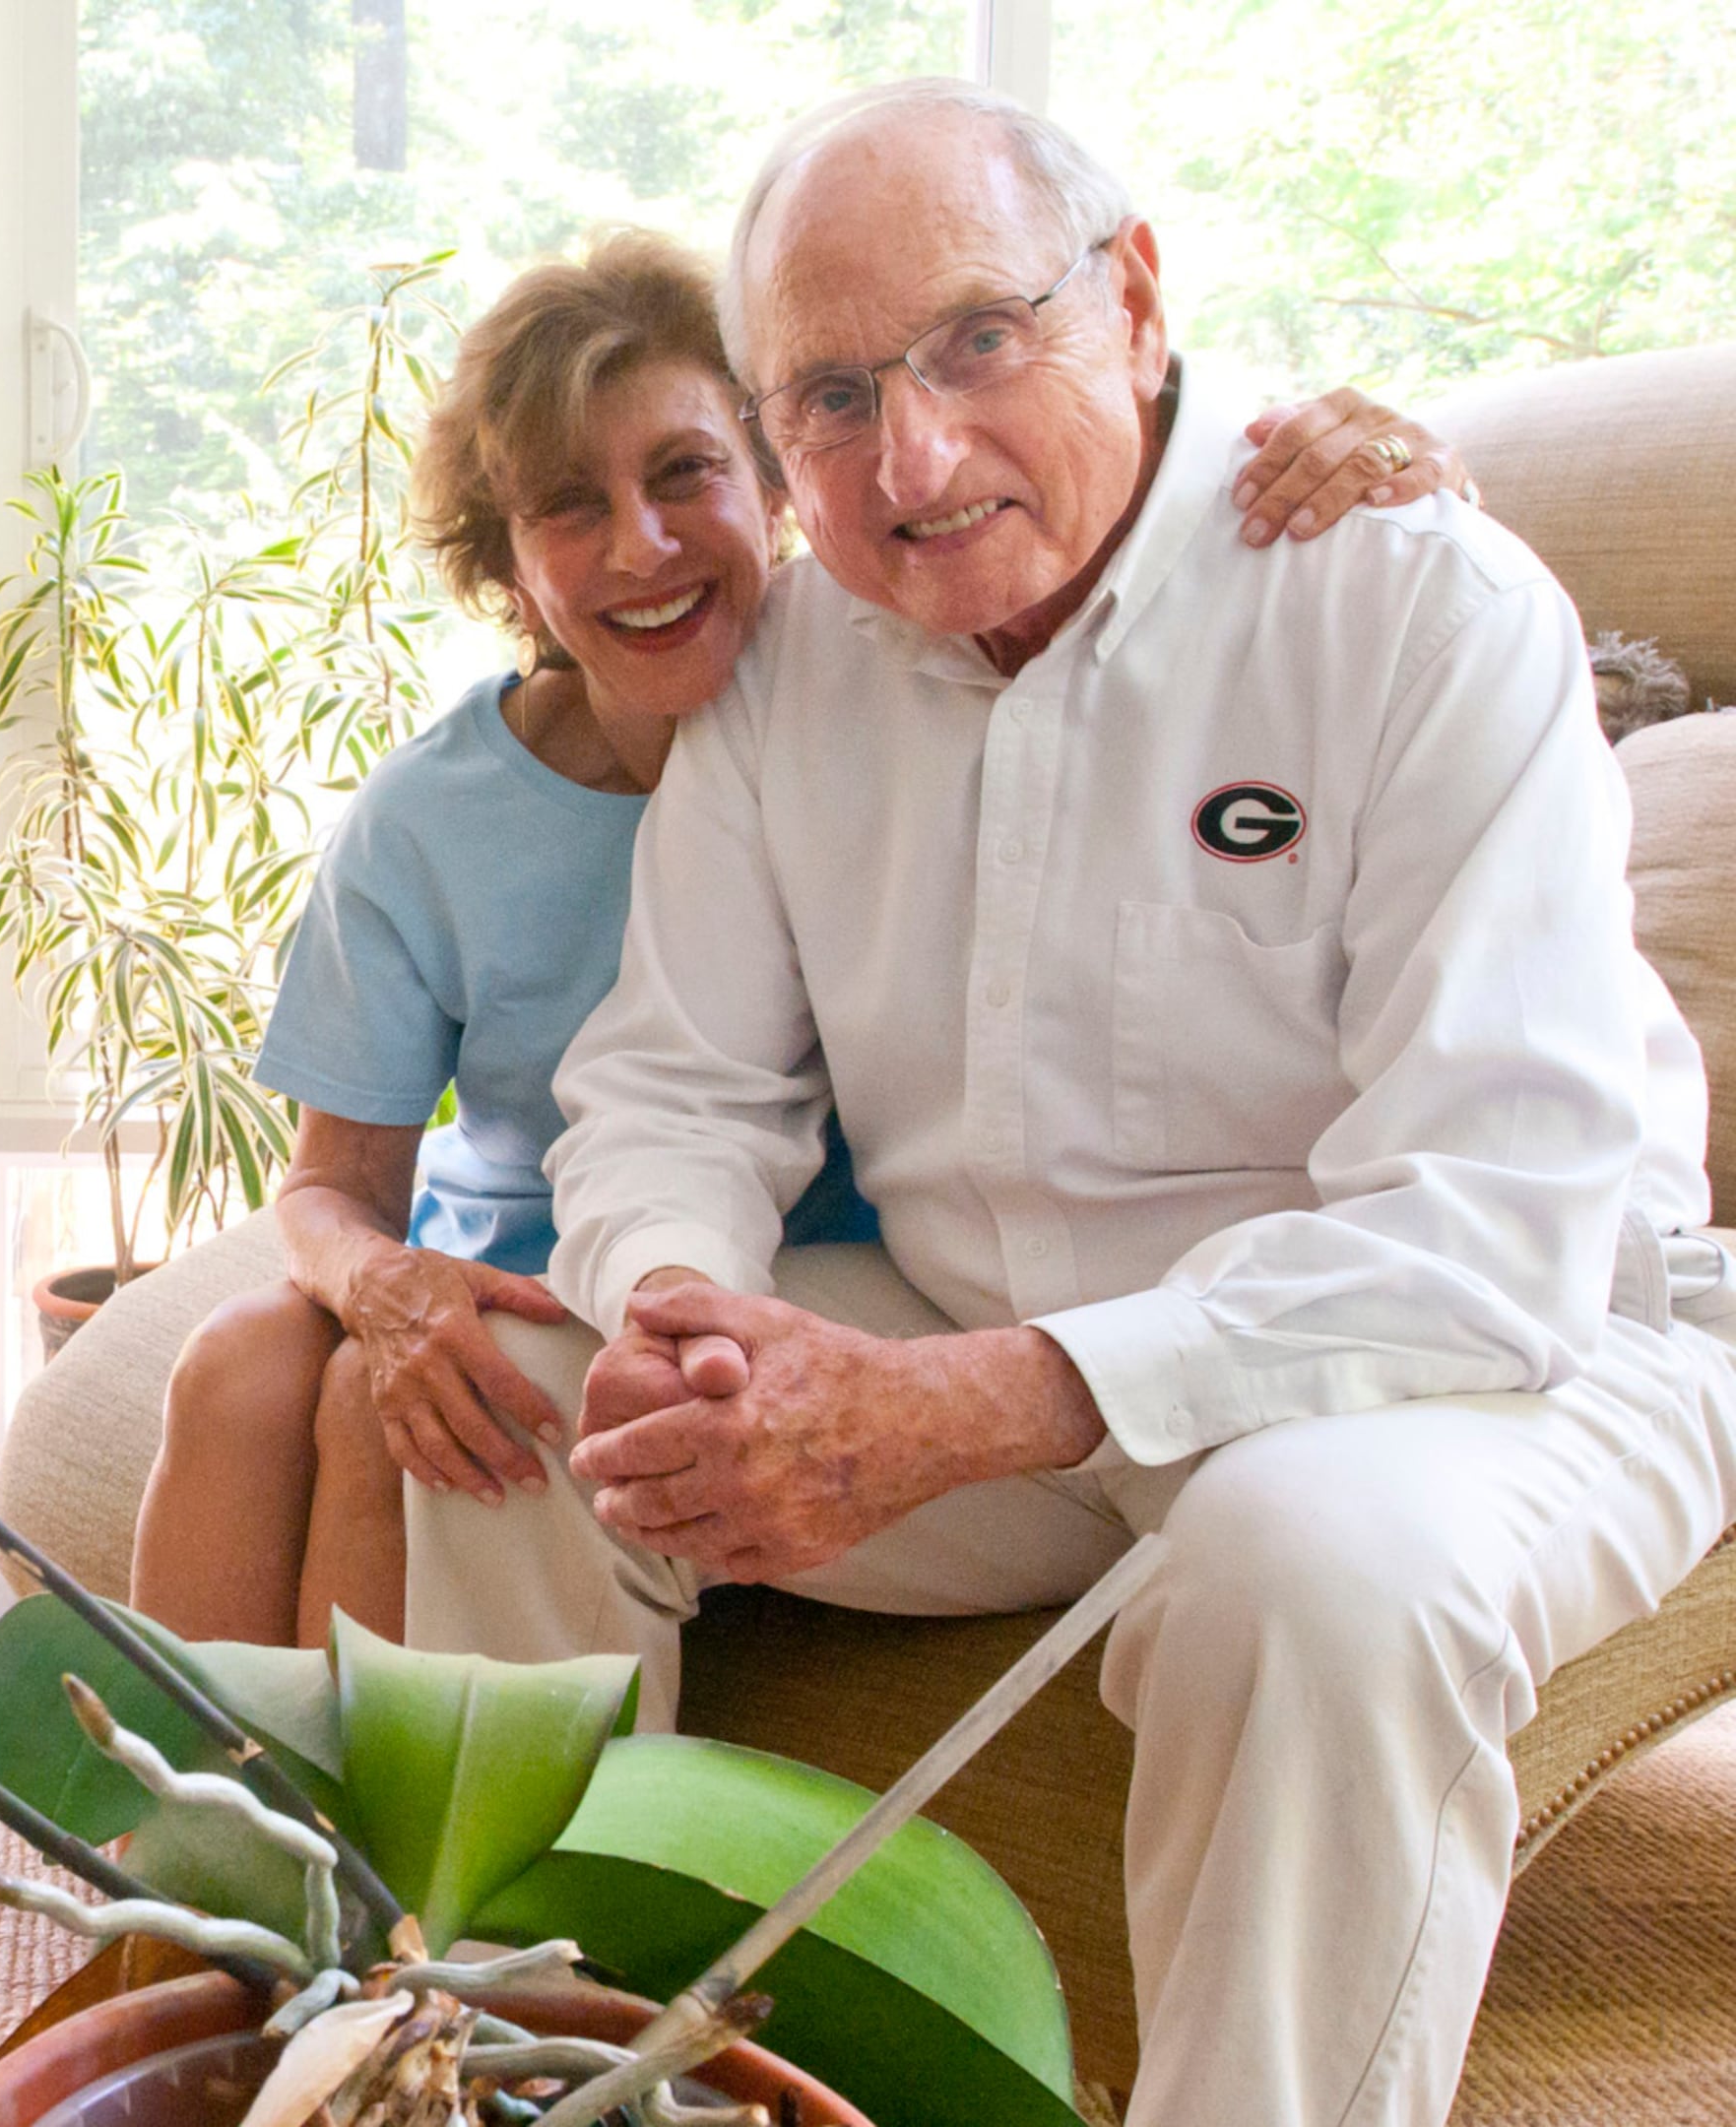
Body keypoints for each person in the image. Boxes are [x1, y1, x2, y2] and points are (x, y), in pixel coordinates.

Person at [404, 77, 1736, 2126]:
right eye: (829, 399)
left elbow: (1500, 1232)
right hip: (994, 1344)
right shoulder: (793, 669)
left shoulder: (1410, 600)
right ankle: (497, 2066)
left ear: (1131, 295)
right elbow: (669, 1083)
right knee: (520, 1393)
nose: (911, 457)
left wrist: (974, 1402)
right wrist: (682, 1304)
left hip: (1495, 1364)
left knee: (1310, 1566)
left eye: (974, 342)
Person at [128, 224, 1468, 1649]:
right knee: (243, 1367)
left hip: (849, 1281)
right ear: (509, 570)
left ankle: (355, 1857)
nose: (640, 546)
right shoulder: (432, 822)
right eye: (567, 508)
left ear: (779, 485)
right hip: (540, 1264)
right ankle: (161, 1831)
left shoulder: (902, 678)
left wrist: (1394, 466)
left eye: (688, 475)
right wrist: (386, 1289)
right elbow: (335, 1181)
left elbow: (1134, 506)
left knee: (369, 1410)